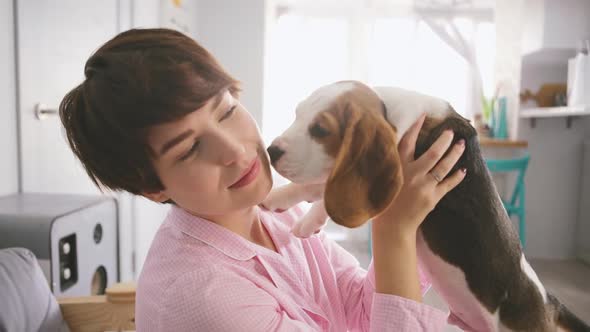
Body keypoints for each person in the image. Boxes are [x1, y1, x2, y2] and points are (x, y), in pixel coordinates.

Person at [59, 28, 466, 331]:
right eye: (189, 149)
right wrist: (394, 228)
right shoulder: (204, 296)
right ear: (154, 187)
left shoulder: (275, 215)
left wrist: (407, 201)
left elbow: (359, 311)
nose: (236, 150)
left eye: (226, 111)